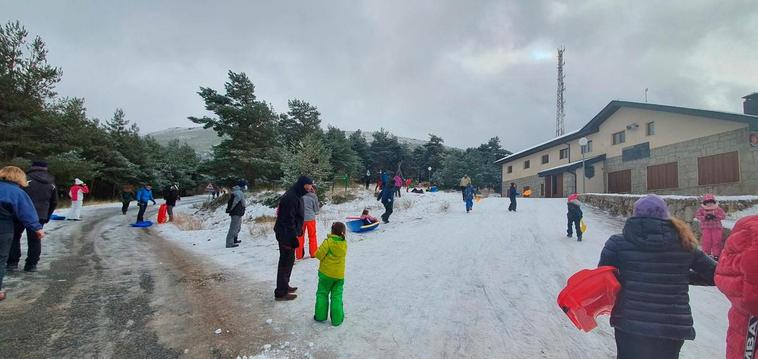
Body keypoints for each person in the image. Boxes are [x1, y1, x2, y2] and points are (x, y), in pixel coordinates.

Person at [598, 194, 716, 359]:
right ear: (665, 215)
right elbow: (715, 275)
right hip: (672, 326)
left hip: (630, 322)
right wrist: (680, 276)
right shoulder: (685, 243)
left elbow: (604, 276)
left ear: (635, 214)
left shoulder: (617, 243)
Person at [714, 215, 758, 359]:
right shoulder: (752, 230)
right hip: (750, 324)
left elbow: (722, 273)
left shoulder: (747, 225)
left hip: (743, 322)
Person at [0, 166, 45, 301]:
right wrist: (37, 228)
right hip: (3, 228)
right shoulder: (17, 192)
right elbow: (26, 212)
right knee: (1, 259)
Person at [7, 161, 56, 273]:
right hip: (40, 214)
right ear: (45, 168)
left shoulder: (25, 179)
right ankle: (31, 265)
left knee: (15, 237)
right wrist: (47, 216)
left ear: (32, 167)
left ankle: (12, 263)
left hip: (19, 213)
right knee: (35, 240)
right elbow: (54, 201)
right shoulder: (51, 182)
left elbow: (16, 196)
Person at [273, 176, 313, 301]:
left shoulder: (297, 194)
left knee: (289, 261)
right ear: (303, 184)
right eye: (309, 185)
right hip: (285, 234)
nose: (310, 187)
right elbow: (287, 220)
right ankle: (281, 292)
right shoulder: (291, 197)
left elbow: (296, 217)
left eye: (311, 185)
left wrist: (298, 230)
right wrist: (292, 237)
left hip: (288, 233)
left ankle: (285, 286)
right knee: (285, 263)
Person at [314, 221, 348, 326]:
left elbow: (318, 255)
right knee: (337, 296)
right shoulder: (344, 244)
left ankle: (320, 316)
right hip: (339, 276)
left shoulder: (328, 242)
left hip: (325, 274)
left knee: (322, 294)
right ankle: (337, 319)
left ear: (332, 231)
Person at [695, 194, 726, 261]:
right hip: (706, 228)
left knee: (716, 241)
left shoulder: (717, 209)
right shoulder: (702, 209)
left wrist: (716, 217)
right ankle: (706, 254)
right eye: (707, 202)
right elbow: (697, 216)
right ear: (705, 203)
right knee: (706, 241)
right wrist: (705, 217)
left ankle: (716, 255)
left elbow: (723, 216)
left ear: (713, 202)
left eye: (711, 202)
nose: (709, 204)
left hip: (716, 227)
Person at [297, 185, 319, 260]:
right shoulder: (314, 197)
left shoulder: (300, 195)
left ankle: (299, 255)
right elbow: (316, 210)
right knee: (312, 236)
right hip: (311, 219)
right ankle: (313, 253)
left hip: (301, 219)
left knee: (300, 236)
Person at [225, 181, 246, 248]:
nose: (246, 187)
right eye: (245, 186)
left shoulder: (239, 192)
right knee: (233, 228)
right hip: (236, 212)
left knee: (237, 227)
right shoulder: (238, 192)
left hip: (238, 212)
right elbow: (234, 202)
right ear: (242, 186)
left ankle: (234, 240)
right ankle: (229, 243)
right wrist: (230, 209)